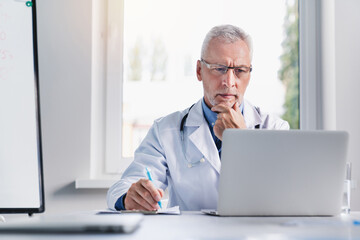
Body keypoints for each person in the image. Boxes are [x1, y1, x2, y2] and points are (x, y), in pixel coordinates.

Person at [107, 24, 289, 211]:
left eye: (240, 71)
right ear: (199, 71)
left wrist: (241, 141)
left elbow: (285, 196)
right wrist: (129, 198)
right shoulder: (166, 130)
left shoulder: (274, 128)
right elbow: (125, 185)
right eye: (219, 69)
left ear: (249, 74)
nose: (229, 82)